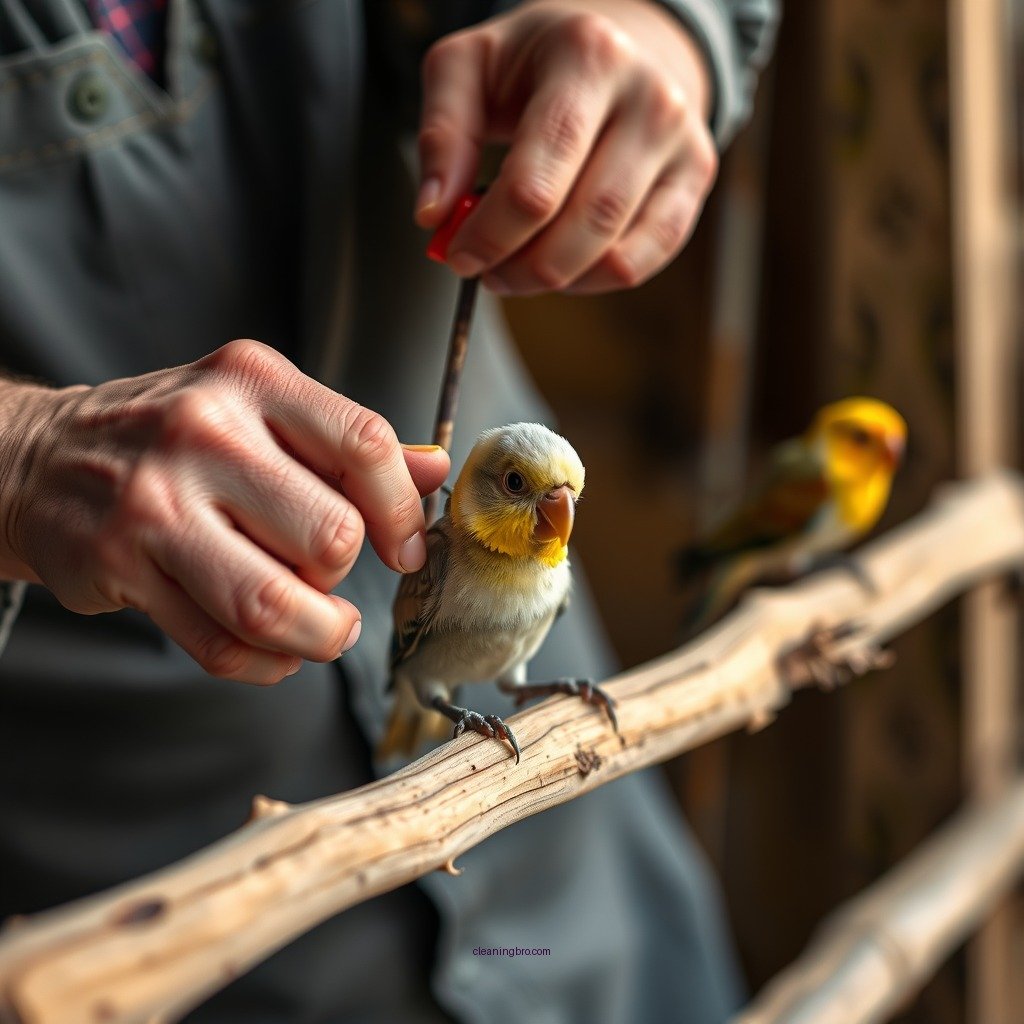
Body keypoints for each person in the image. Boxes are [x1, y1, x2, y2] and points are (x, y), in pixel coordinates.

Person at [0, 1, 777, 1020]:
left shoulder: (542, 553)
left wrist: (660, 29)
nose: (552, 522)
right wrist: (22, 451)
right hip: (184, 919)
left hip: (578, 894)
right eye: (519, 494)